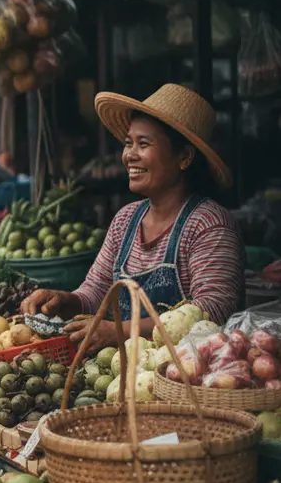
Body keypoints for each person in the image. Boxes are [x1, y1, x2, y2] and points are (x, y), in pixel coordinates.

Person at [21, 84, 244, 349]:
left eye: (144, 144)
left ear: (184, 156)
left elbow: (212, 312)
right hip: (126, 371)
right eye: (128, 144)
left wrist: (122, 331)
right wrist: (65, 300)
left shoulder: (209, 224)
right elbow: (96, 292)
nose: (129, 155)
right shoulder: (126, 220)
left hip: (187, 377)